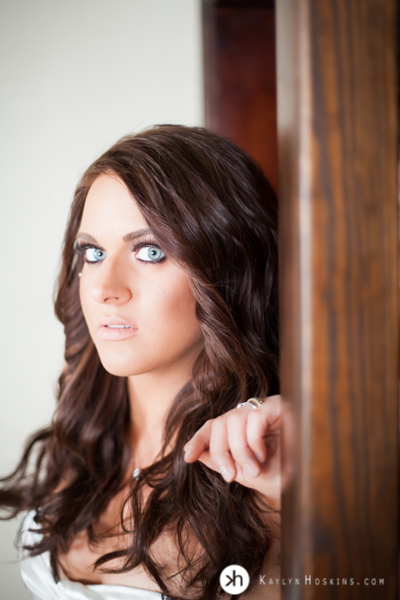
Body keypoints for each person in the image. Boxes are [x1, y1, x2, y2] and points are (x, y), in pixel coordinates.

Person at [0, 125, 281, 600]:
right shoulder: (80, 439)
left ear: (228, 267)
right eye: (92, 252)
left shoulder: (266, 473)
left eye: (150, 252)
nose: (106, 287)